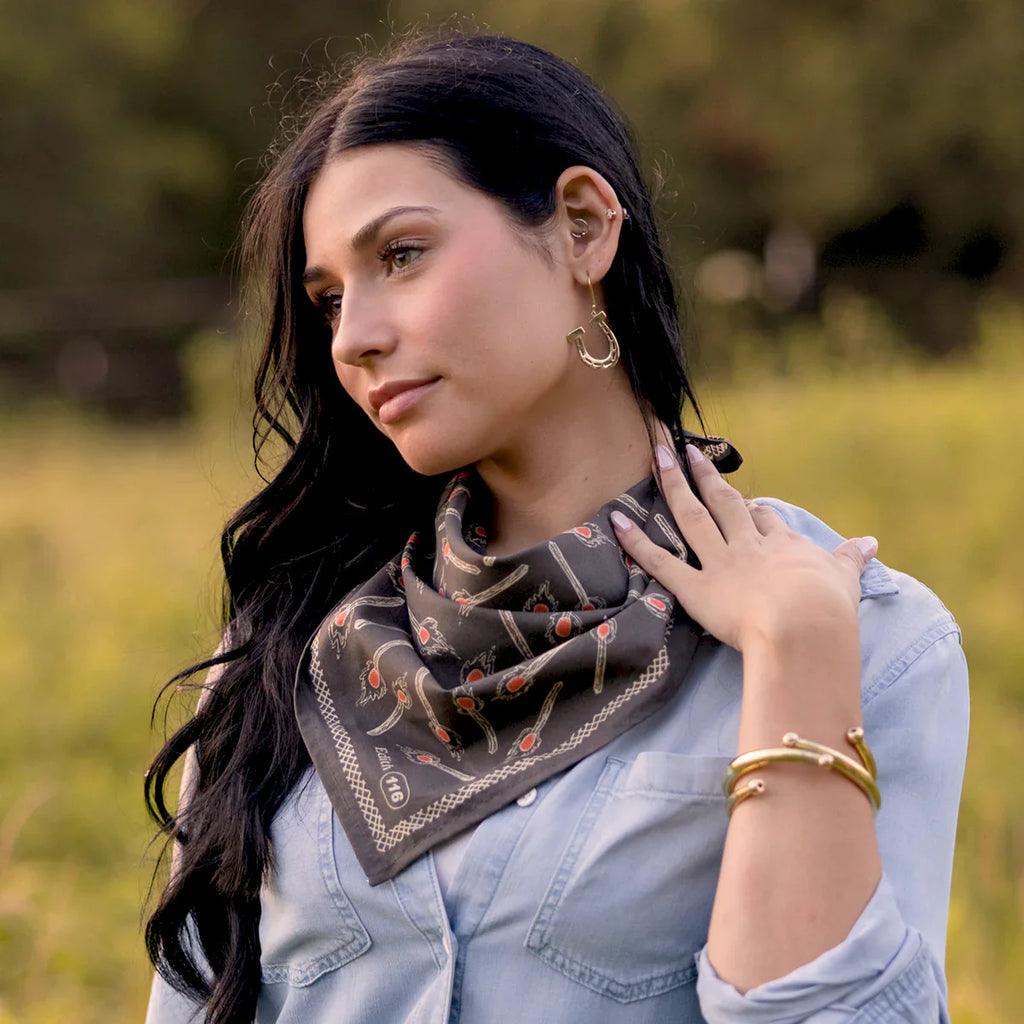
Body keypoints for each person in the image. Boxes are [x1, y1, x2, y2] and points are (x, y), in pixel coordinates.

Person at [144, 30, 968, 1024]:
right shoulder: (292, 645)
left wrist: (795, 655)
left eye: (401, 255)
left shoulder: (864, 636)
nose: (354, 337)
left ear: (582, 227)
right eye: (327, 299)